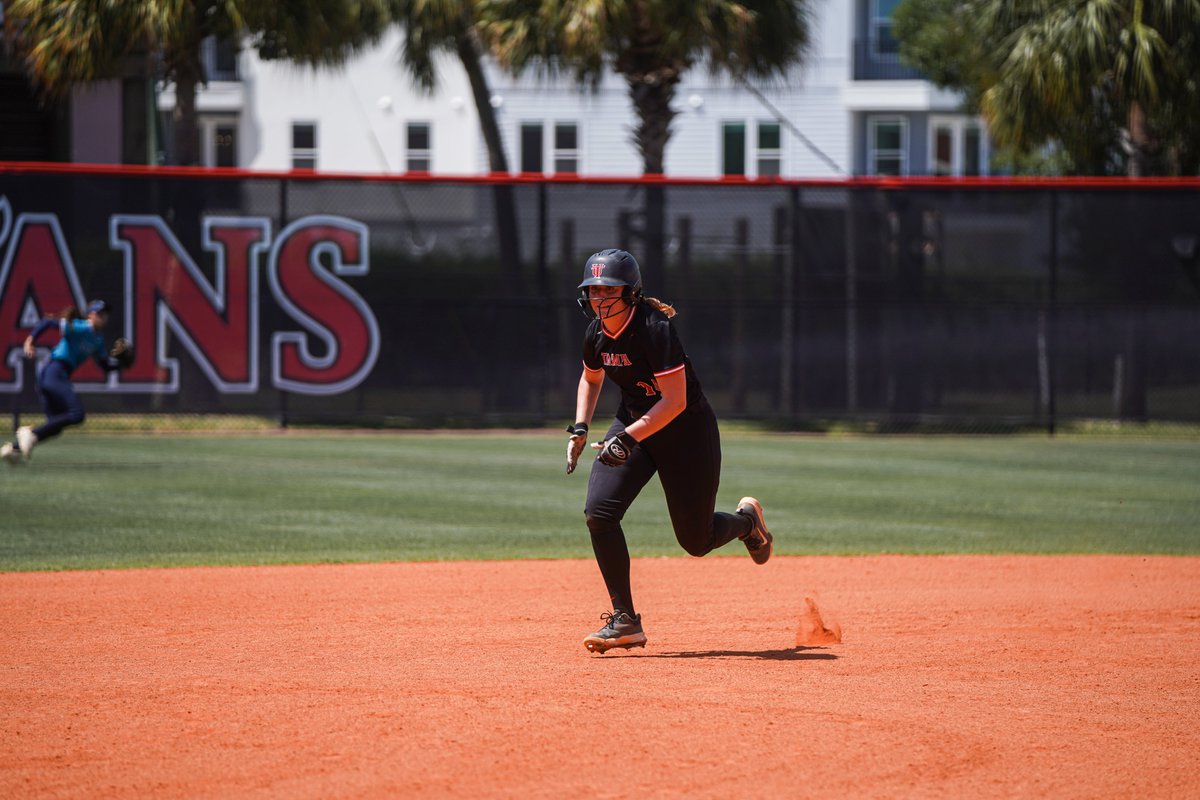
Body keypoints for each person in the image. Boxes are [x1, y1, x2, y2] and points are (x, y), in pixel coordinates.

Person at [565, 248, 773, 654]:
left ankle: (747, 523)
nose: (598, 298)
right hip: (634, 421)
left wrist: (627, 438)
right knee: (599, 513)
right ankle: (625, 621)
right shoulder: (596, 333)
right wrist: (580, 427)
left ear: (631, 292)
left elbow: (674, 401)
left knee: (697, 541)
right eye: (592, 290)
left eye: (608, 290)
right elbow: (591, 379)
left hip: (686, 431)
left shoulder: (654, 328)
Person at [2, 300, 127, 465]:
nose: (104, 317)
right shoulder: (83, 327)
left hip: (57, 375)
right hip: (54, 371)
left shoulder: (98, 340)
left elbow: (104, 365)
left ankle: (13, 450)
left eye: (106, 314)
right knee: (77, 414)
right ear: (91, 315)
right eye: (100, 314)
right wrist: (31, 340)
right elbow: (47, 322)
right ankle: (28, 433)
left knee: (56, 424)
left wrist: (122, 363)